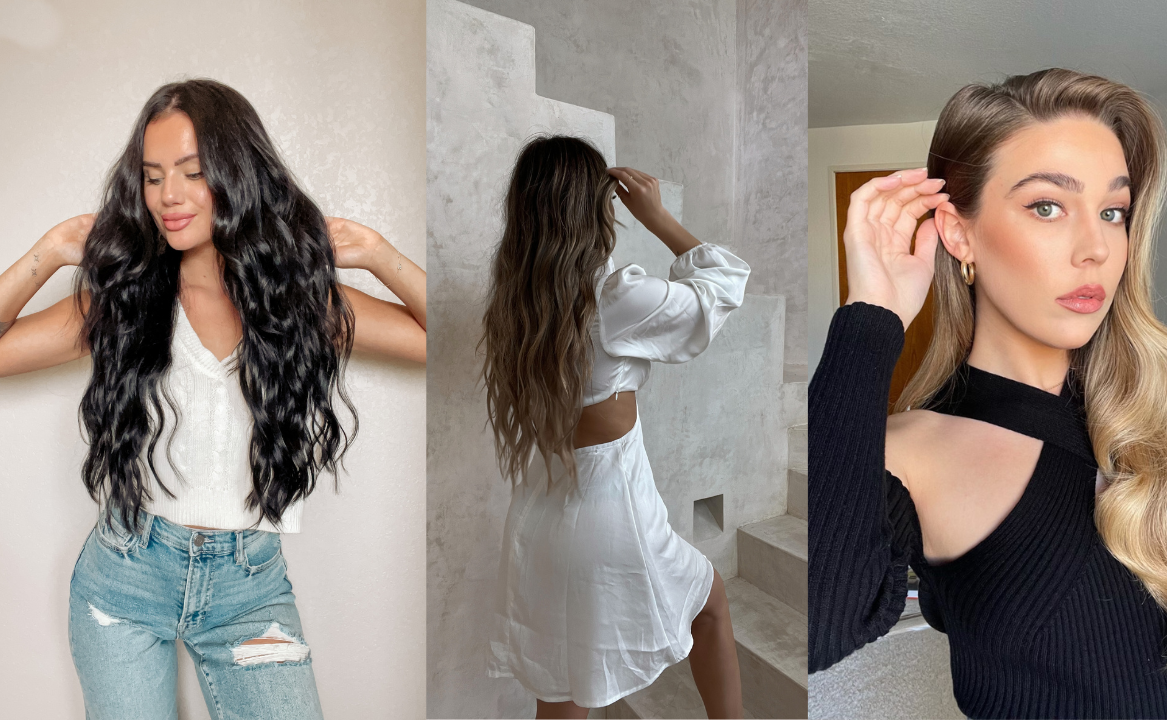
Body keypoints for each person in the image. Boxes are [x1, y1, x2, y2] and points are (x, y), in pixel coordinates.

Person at [808, 68, 1167, 718]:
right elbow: (821, 623)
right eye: (1047, 207)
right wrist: (870, 318)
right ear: (959, 232)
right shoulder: (914, 451)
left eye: (1113, 212)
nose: (1096, 249)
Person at [0, 78, 426, 719]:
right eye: (151, 176)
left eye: (192, 172)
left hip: (248, 590)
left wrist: (381, 256)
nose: (167, 196)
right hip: (124, 579)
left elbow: (441, 340)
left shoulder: (299, 303)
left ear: (235, 172)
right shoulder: (123, 301)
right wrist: (50, 251)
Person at [480, 135, 750, 718]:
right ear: (591, 211)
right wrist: (658, 218)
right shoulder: (614, 297)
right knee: (711, 602)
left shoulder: (515, 304)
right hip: (611, 516)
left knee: (563, 690)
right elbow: (722, 287)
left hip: (539, 519)